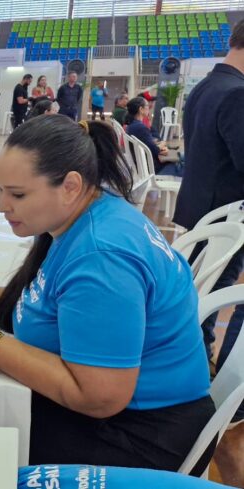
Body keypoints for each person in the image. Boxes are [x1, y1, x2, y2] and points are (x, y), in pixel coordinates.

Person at [0, 115, 214, 473]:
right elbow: (64, 298)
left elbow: (99, 398)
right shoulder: (91, 213)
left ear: (69, 186)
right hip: (125, 413)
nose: (2, 204)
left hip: (139, 436)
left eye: (17, 194)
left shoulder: (102, 258)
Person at [173, 21, 244, 486]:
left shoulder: (205, 86)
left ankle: (199, 390)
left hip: (199, 215)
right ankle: (209, 401)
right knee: (205, 308)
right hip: (222, 226)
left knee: (196, 308)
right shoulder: (237, 94)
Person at [125, 97, 169, 173]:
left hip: (142, 165)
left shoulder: (132, 125)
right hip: (151, 167)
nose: (149, 108)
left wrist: (158, 147)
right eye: (147, 106)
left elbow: (149, 145)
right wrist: (162, 144)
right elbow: (154, 150)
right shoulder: (140, 127)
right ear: (141, 109)